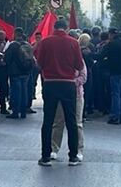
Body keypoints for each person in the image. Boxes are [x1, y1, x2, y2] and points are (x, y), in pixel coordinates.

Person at [35, 19, 84, 167]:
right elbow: (79, 65)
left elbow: (39, 63)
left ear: (54, 28)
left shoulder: (45, 42)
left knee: (49, 121)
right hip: (68, 84)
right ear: (67, 28)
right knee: (71, 121)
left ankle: (46, 156)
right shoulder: (74, 42)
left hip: (50, 83)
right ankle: (73, 156)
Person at [51, 34, 90, 160]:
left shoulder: (80, 61)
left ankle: (79, 149)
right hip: (62, 94)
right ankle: (54, 148)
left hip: (76, 95)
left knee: (77, 123)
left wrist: (71, 83)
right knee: (58, 122)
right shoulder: (62, 59)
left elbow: (83, 77)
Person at [101, 29, 121, 125]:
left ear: (111, 34)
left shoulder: (111, 44)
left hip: (116, 72)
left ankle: (115, 116)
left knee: (116, 94)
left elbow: (101, 56)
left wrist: (89, 54)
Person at [5, 28, 34, 119]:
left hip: (15, 72)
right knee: (24, 91)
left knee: (16, 92)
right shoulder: (28, 45)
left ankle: (15, 112)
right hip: (26, 72)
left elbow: (7, 58)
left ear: (15, 34)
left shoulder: (13, 45)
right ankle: (23, 112)